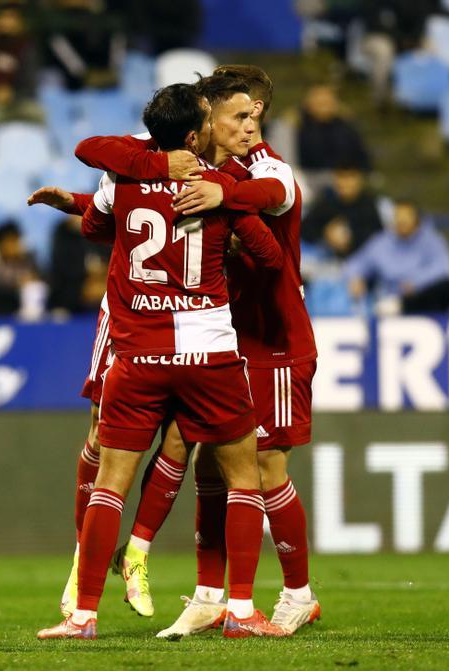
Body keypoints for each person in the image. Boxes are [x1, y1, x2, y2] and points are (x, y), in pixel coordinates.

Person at [66, 66, 322, 637]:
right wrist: (142, 176)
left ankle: (296, 593)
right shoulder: (199, 167)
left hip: (273, 338)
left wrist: (224, 193)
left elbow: (274, 196)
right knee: (210, 462)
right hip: (221, 339)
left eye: (232, 116)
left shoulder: (264, 168)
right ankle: (212, 595)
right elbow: (104, 158)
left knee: (263, 466)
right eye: (214, 118)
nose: (223, 127)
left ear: (255, 115)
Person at [344, 200, 449, 314]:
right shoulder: (381, 243)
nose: (401, 220)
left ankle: (403, 305)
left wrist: (416, 283)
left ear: (417, 219)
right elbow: (356, 262)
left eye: (406, 216)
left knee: (445, 287)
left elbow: (444, 267)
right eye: (397, 216)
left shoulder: (432, 240)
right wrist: (355, 277)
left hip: (425, 299)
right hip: (391, 301)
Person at [302, 166, 383, 259]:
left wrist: (351, 236)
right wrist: (326, 233)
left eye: (350, 177)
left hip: (361, 260)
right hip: (327, 260)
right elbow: (305, 229)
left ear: (359, 180)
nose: (345, 183)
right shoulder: (327, 202)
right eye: (341, 177)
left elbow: (379, 237)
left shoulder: (369, 204)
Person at [296, 84, 371, 177]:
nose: (324, 107)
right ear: (309, 105)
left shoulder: (347, 128)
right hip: (309, 179)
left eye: (327, 102)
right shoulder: (297, 128)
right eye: (320, 103)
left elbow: (362, 158)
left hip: (345, 180)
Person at [0, 220, 42, 316]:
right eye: (9, 241)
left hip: (23, 314)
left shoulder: (29, 262)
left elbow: (42, 281)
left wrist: (33, 280)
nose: (14, 245)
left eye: (16, 240)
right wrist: (16, 286)